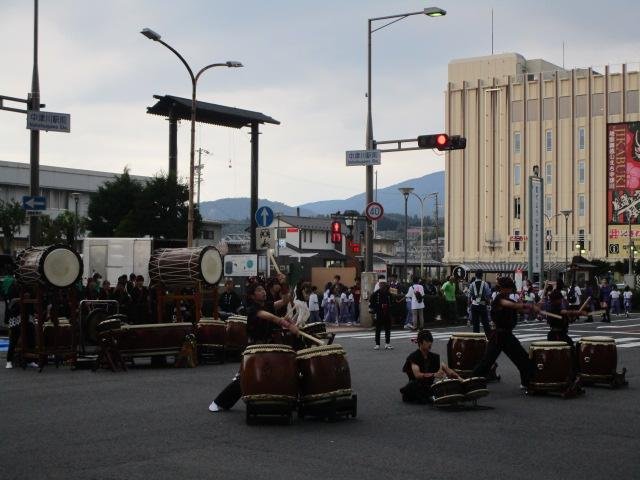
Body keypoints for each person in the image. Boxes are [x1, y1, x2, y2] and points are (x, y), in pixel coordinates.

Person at [209, 282, 300, 412]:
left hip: (268, 345)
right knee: (246, 377)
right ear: (252, 296)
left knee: (275, 372)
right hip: (254, 347)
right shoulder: (252, 309)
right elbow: (270, 317)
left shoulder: (268, 305)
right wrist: (286, 323)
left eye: (263, 289)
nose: (263, 291)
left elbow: (285, 300)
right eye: (259, 290)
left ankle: (285, 401)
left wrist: (283, 283)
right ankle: (220, 402)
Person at [472, 276, 539, 389]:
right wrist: (529, 305)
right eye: (508, 288)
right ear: (503, 288)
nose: (510, 290)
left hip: (507, 335)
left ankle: (527, 382)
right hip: (499, 335)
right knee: (486, 362)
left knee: (522, 358)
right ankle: (471, 382)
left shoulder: (508, 299)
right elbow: (512, 305)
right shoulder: (499, 299)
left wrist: (535, 309)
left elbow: (520, 309)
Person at [400, 329, 461, 404]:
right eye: (427, 341)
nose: (430, 344)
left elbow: (447, 369)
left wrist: (460, 379)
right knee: (413, 385)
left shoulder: (433, 357)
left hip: (428, 386)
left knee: (444, 382)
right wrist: (434, 375)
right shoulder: (414, 356)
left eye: (431, 341)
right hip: (416, 386)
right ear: (420, 342)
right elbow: (418, 375)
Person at [369, 280, 393, 350]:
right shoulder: (376, 293)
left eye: (383, 284)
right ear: (379, 285)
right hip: (379, 313)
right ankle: (377, 344)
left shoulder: (389, 294)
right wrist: (374, 311)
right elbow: (371, 303)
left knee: (387, 329)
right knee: (378, 329)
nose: (382, 285)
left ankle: (387, 343)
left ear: (385, 285)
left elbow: (392, 303)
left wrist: (390, 311)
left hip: (387, 313)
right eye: (381, 284)